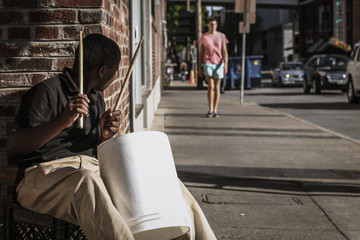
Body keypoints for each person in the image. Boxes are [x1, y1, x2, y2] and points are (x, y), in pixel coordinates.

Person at [6, 33, 216, 240]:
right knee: (86, 181)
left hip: (91, 170)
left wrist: (105, 137)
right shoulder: (48, 91)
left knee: (163, 179)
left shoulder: (96, 100)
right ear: (103, 71)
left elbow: (95, 155)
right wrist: (62, 121)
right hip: (40, 177)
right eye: (114, 72)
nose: (114, 76)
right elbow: (15, 146)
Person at [198, 16, 229, 118]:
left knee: (217, 87)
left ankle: (215, 109)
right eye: (211, 25)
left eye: (215, 24)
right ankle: (210, 109)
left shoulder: (222, 36)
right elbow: (201, 53)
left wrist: (225, 64)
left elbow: (225, 52)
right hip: (208, 62)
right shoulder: (204, 37)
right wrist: (199, 67)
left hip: (219, 63)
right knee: (210, 86)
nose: (213, 26)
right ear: (208, 25)